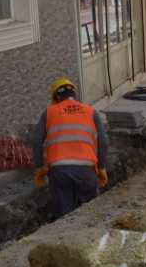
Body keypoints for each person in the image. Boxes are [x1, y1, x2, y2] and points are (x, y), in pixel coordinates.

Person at [32, 78, 109, 219]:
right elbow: (103, 141)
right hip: (87, 170)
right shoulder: (91, 111)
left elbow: (37, 141)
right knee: (90, 217)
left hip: (59, 171)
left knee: (64, 219)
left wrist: (39, 168)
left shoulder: (49, 112)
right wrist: (102, 167)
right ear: (75, 95)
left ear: (56, 97)